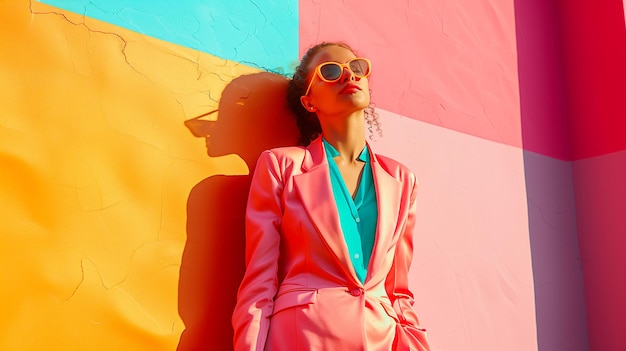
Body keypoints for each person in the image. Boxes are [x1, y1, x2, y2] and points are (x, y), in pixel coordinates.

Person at [232, 42, 430, 351]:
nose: (348, 75)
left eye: (357, 67)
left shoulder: (402, 180)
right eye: (331, 71)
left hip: (380, 340)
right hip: (303, 337)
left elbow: (398, 292)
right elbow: (259, 283)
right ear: (310, 102)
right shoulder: (282, 166)